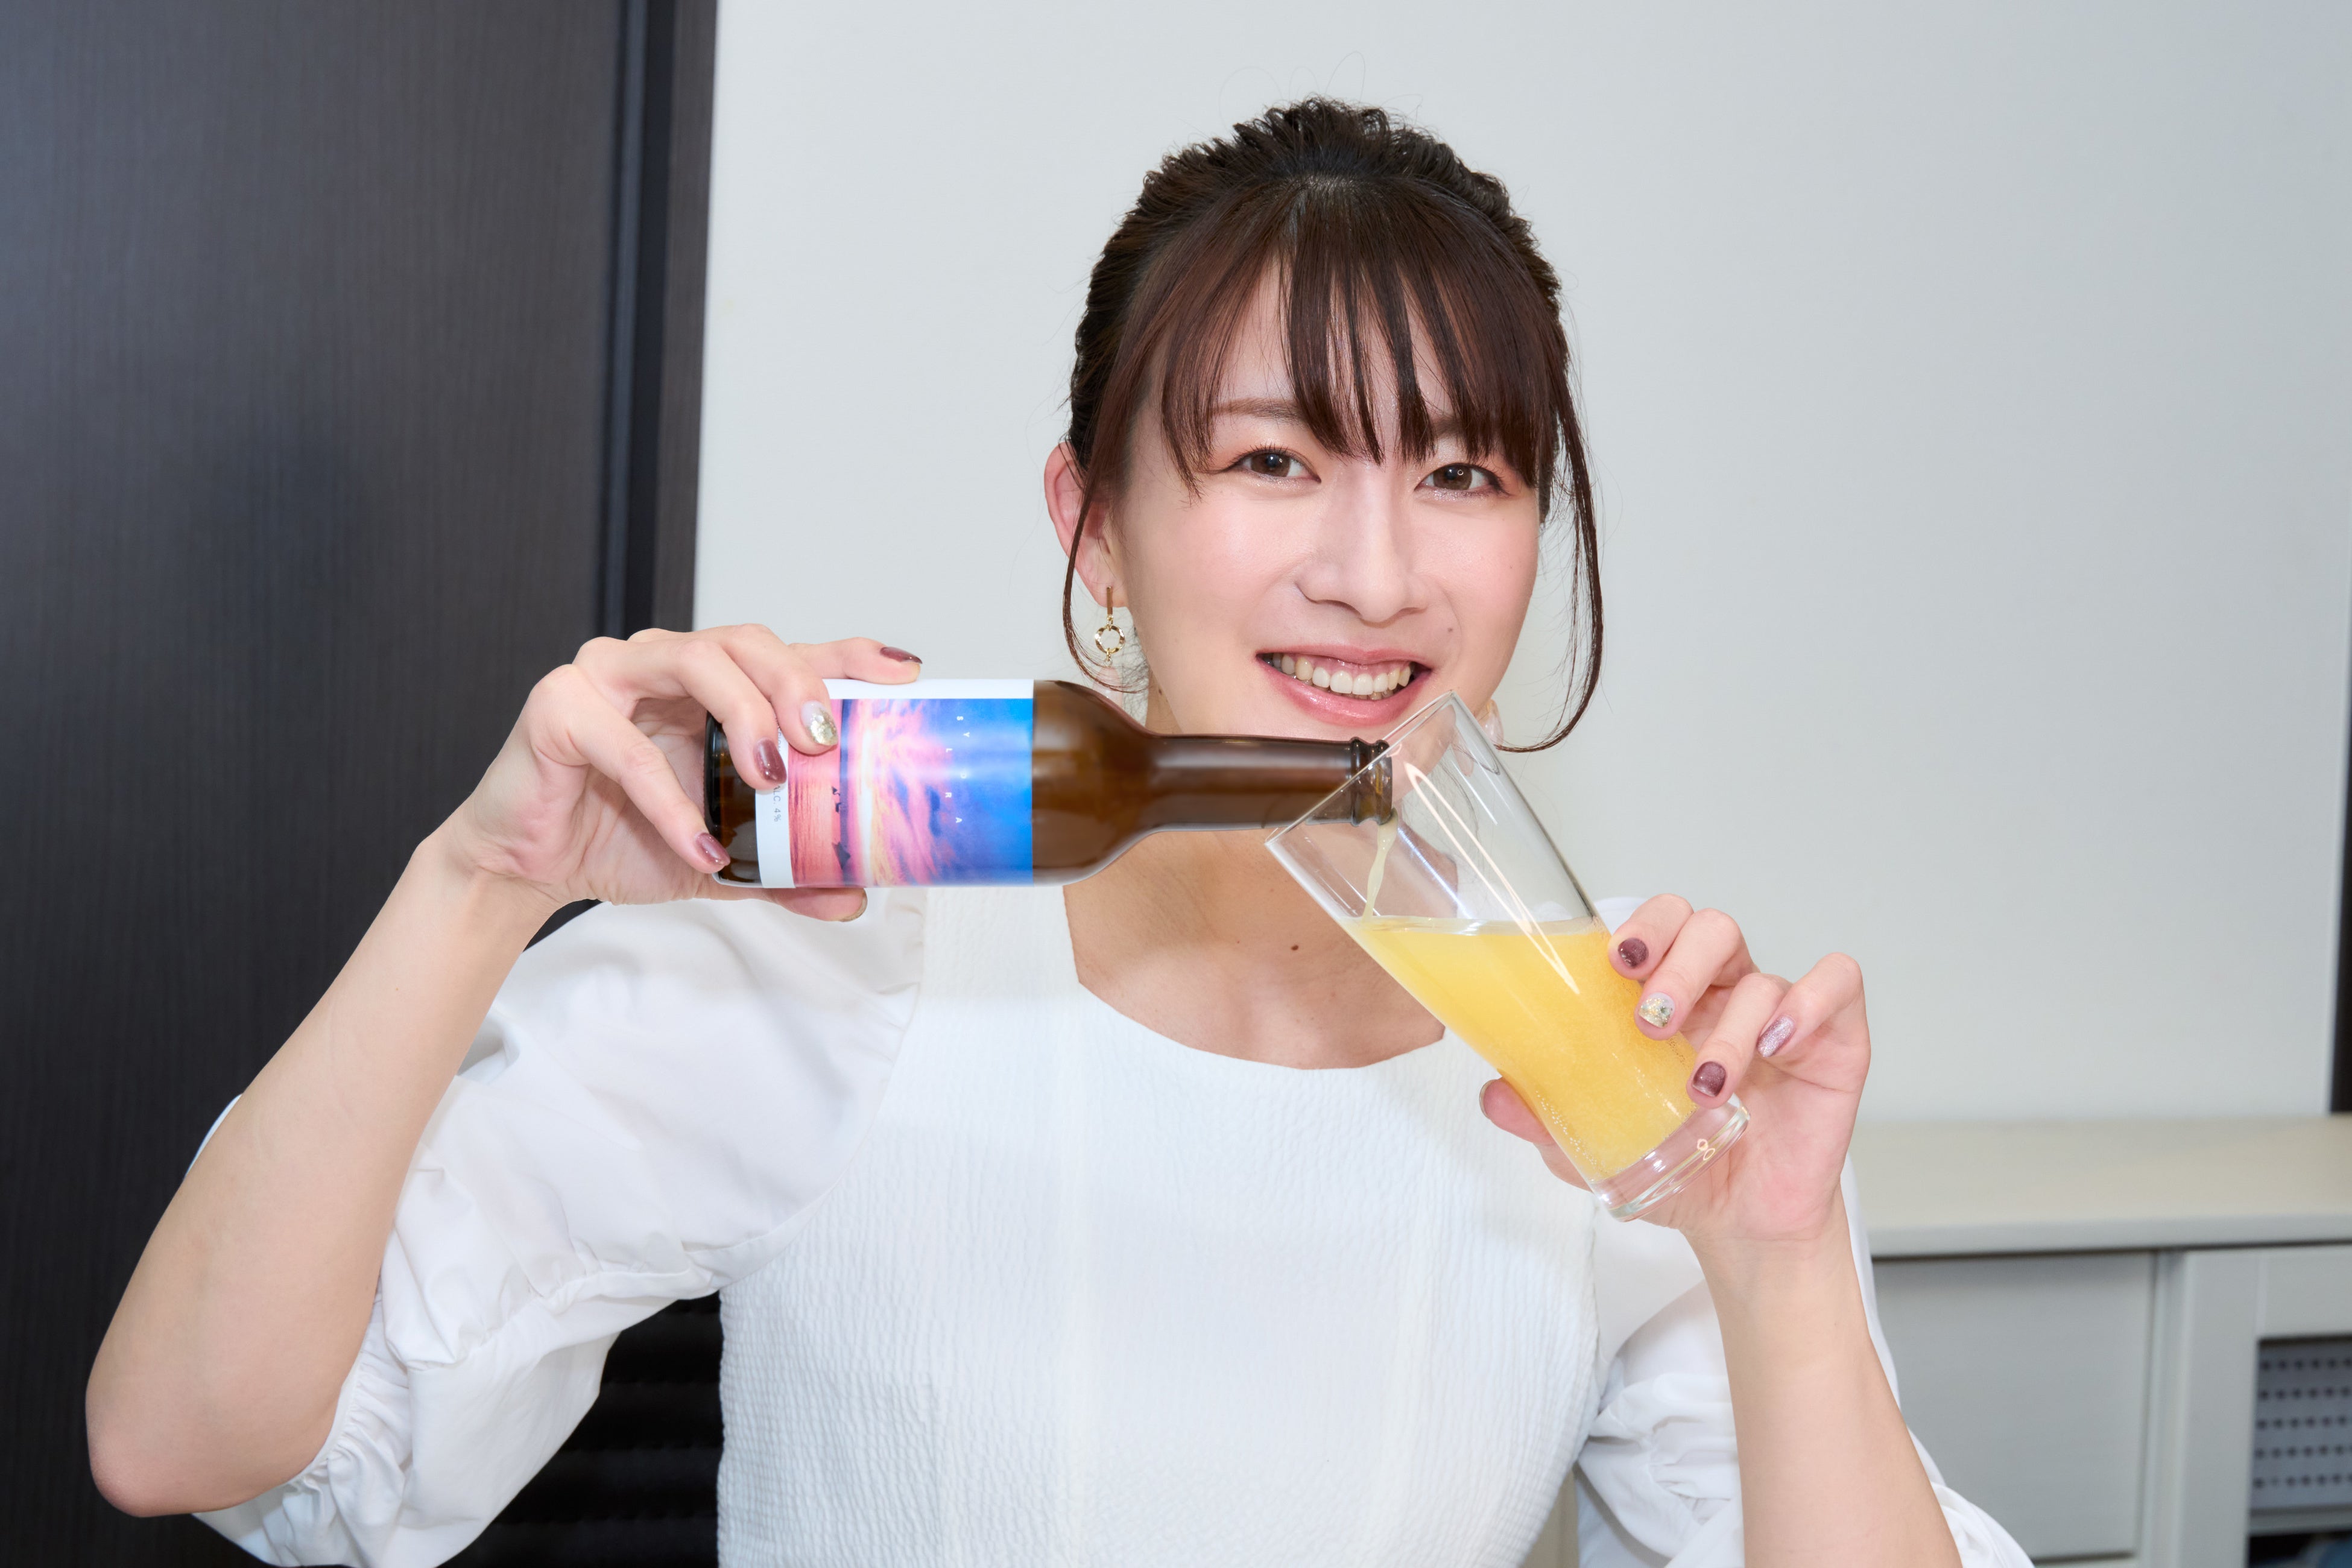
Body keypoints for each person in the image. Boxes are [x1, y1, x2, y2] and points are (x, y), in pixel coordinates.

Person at [87, 100, 2029, 1567]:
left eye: (1461, 473)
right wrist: (478, 884)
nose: (1375, 574)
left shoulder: (1616, 1055)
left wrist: (1772, 1256)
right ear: (1091, 523)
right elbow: (185, 1442)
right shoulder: (847, 949)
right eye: (1272, 457)